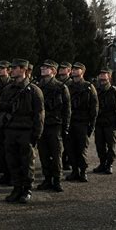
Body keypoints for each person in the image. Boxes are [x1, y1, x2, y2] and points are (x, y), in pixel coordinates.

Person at [0, 59, 44, 203]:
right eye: (11, 68)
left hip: (26, 131)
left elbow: (39, 114)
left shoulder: (34, 90)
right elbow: (1, 107)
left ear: (23, 69)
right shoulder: (8, 89)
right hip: (11, 130)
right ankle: (16, 188)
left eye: (15, 68)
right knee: (12, 161)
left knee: (27, 163)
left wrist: (36, 134)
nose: (11, 70)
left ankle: (27, 189)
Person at [36, 60, 71, 192]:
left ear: (54, 71)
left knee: (56, 155)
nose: (43, 69)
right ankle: (47, 179)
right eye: (42, 67)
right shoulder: (38, 86)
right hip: (41, 125)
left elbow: (67, 109)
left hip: (55, 125)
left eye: (47, 68)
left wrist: (65, 127)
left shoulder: (61, 87)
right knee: (43, 154)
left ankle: (56, 180)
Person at [65, 62, 98, 182]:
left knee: (82, 149)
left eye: (76, 69)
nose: (73, 71)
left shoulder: (89, 87)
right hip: (71, 122)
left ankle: (83, 172)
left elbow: (94, 108)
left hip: (83, 123)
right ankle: (74, 171)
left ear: (82, 72)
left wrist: (91, 126)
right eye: (73, 69)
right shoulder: (68, 87)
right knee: (70, 148)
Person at [93, 68, 116, 175]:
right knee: (99, 145)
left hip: (110, 123)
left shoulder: (114, 91)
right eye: (101, 75)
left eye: (104, 75)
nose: (102, 78)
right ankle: (102, 164)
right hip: (99, 123)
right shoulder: (96, 90)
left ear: (109, 77)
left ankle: (109, 164)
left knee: (111, 145)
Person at [57, 61, 73, 170]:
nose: (61, 70)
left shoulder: (73, 84)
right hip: (59, 116)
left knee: (69, 141)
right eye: (60, 68)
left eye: (64, 68)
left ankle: (67, 161)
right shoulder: (56, 84)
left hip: (71, 116)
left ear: (69, 71)